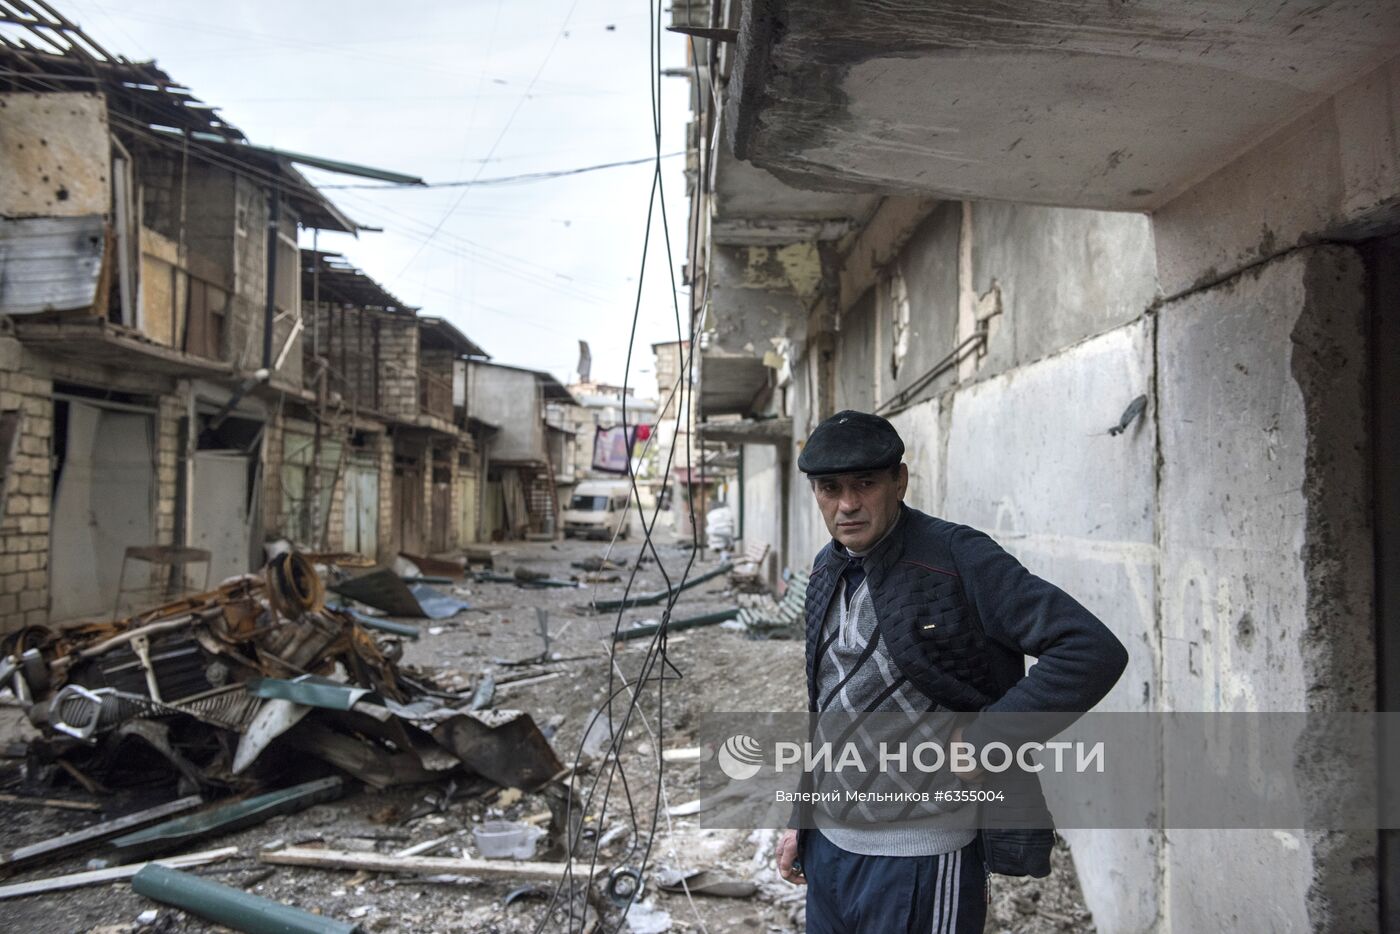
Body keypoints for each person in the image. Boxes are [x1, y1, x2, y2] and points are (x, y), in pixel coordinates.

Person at [774, 410, 1128, 933]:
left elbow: (1090, 649)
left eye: (865, 484)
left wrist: (989, 737)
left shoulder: (956, 556)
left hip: (920, 858)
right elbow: (827, 704)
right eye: (830, 488)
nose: (847, 504)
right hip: (829, 852)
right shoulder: (828, 566)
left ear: (900, 481)